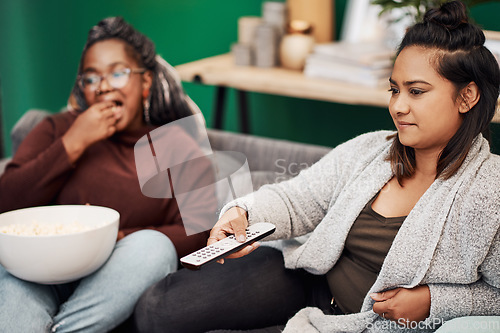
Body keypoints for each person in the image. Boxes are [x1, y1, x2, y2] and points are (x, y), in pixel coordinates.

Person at [132, 1, 500, 332]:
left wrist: (436, 302)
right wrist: (243, 212)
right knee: (158, 310)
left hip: (366, 322)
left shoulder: (490, 192)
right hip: (310, 279)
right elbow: (298, 199)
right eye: (394, 89)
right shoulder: (371, 150)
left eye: (416, 91)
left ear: (467, 96)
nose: (398, 107)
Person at [0, 17, 215, 332]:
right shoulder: (55, 129)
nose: (102, 86)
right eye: (91, 77)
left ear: (145, 85)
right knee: (13, 281)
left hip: (118, 277)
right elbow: (6, 202)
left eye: (117, 73)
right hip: (41, 271)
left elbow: (201, 230)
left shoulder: (175, 145)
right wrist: (74, 142)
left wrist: (119, 238)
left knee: (152, 248)